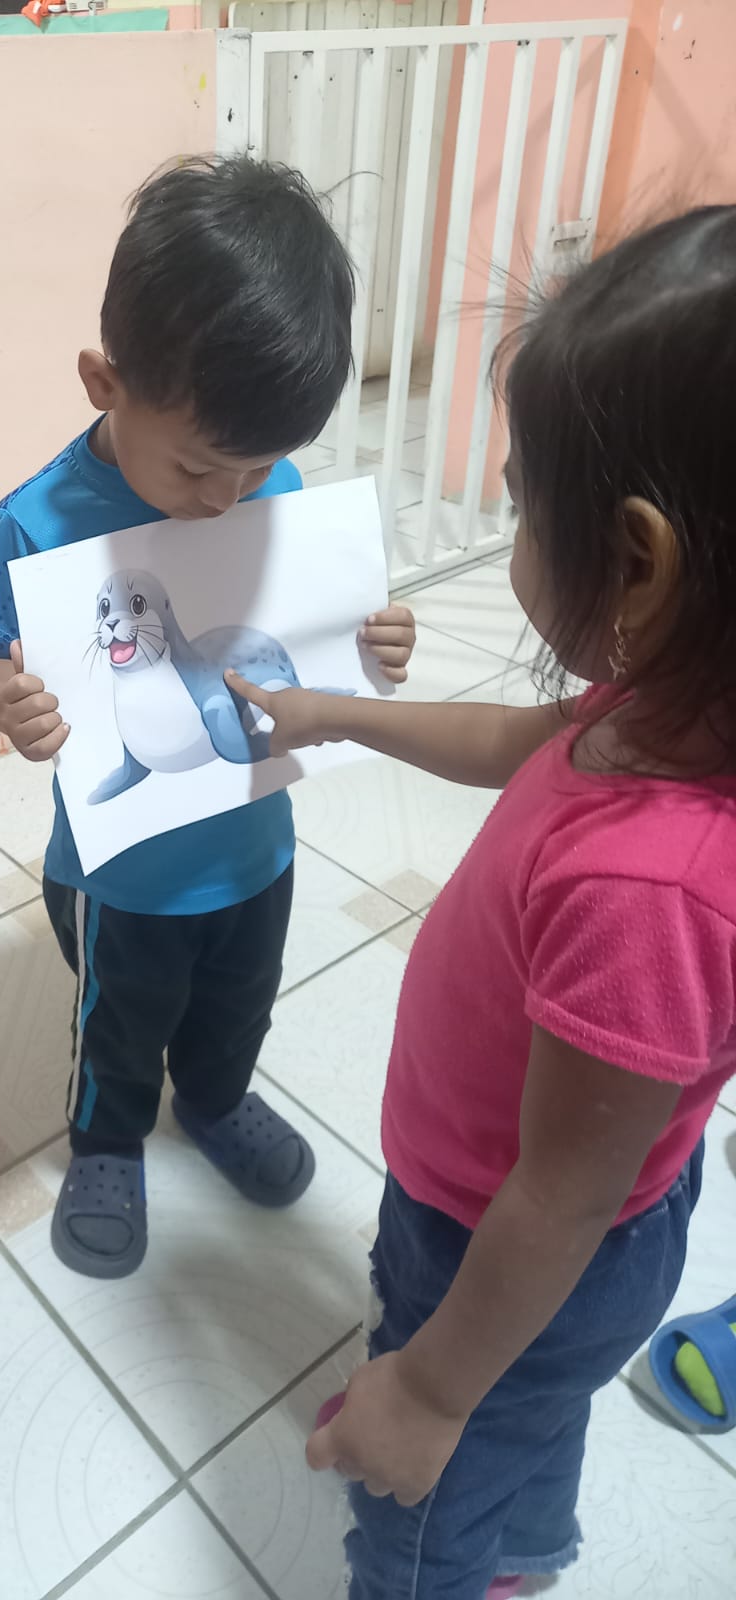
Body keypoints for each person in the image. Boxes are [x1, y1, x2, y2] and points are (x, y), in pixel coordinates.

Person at [227, 206, 736, 1598]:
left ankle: (457, 1548)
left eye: (519, 505)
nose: (511, 532)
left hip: (499, 1237)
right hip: (522, 1219)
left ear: (640, 562)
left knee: (432, 1488)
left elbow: (561, 1200)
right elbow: (522, 743)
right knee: (532, 1411)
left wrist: (429, 1389)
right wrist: (338, 713)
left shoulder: (653, 889)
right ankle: (526, 1540)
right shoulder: (668, 705)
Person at [0, 155, 416, 1280]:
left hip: (257, 843)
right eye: (202, 467)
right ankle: (108, 1142)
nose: (227, 500)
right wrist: (7, 702)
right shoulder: (36, 519)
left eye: (258, 470)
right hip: (124, 874)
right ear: (103, 383)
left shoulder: (267, 491)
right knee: (120, 1019)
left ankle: (214, 1097)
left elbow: (306, 637)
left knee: (241, 999)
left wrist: (375, 644)